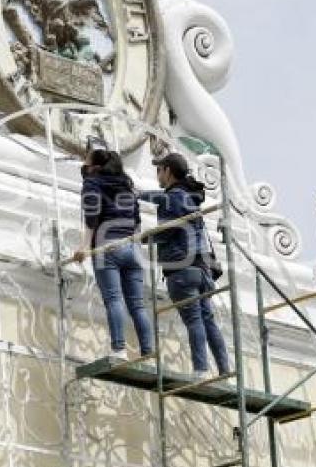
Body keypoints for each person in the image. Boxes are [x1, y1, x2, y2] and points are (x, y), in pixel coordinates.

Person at [139, 153, 230, 378]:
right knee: (208, 321)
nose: (157, 175)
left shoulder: (174, 197)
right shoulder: (189, 197)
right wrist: (138, 194)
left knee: (194, 320)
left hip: (181, 269)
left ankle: (200, 370)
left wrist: (147, 238)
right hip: (202, 268)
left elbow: (170, 229)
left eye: (159, 170)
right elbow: (158, 197)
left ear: (168, 171)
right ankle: (225, 371)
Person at [73, 149, 153, 361]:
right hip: (132, 248)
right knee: (137, 304)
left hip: (107, 247)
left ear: (95, 167)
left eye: (86, 166)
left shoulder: (92, 184)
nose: (84, 169)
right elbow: (136, 222)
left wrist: (84, 247)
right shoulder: (127, 187)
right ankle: (148, 352)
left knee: (114, 299)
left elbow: (92, 218)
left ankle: (119, 349)